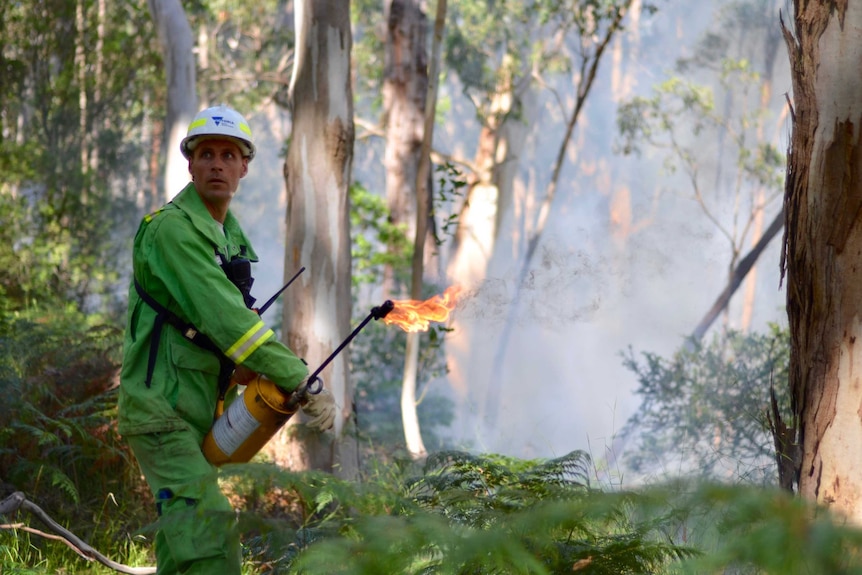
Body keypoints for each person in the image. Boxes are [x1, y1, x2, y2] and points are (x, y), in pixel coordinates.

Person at [118, 104, 336, 574]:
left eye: (228, 154)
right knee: (210, 533)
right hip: (161, 412)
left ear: (243, 167)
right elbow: (228, 322)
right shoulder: (173, 231)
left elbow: (219, 336)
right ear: (191, 164)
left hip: (200, 413)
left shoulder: (228, 237)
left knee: (183, 544)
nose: (217, 163)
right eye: (207, 154)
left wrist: (255, 376)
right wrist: (302, 378)